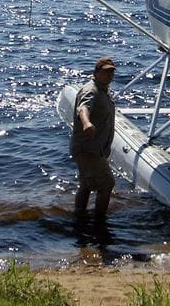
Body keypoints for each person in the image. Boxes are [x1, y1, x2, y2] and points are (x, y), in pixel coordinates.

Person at [70, 56, 117, 219]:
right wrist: (86, 123)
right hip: (88, 149)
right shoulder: (91, 90)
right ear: (96, 72)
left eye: (111, 72)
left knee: (87, 185)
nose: (109, 75)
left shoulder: (103, 90)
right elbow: (83, 108)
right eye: (105, 72)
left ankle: (79, 216)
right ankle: (100, 220)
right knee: (107, 184)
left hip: (95, 148)